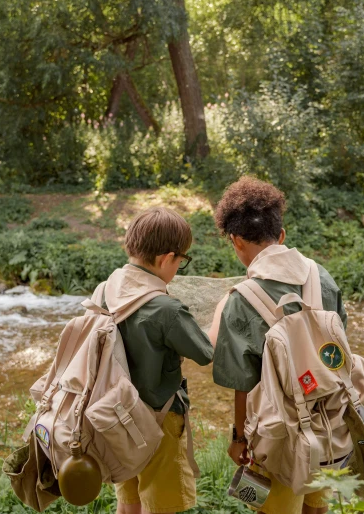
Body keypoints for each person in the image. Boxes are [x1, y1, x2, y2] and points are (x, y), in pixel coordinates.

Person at [208, 177, 348, 514]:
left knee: (265, 506)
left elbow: (242, 382)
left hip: (276, 434)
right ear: (281, 236)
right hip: (328, 426)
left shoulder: (241, 300)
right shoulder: (321, 276)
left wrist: (239, 439)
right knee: (316, 507)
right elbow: (339, 346)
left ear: (235, 241)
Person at [110, 207, 214, 514]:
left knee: (128, 501)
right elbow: (205, 352)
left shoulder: (108, 289)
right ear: (167, 258)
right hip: (159, 420)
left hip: (116, 414)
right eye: (182, 260)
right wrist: (220, 313)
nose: (180, 266)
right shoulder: (166, 309)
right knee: (163, 505)